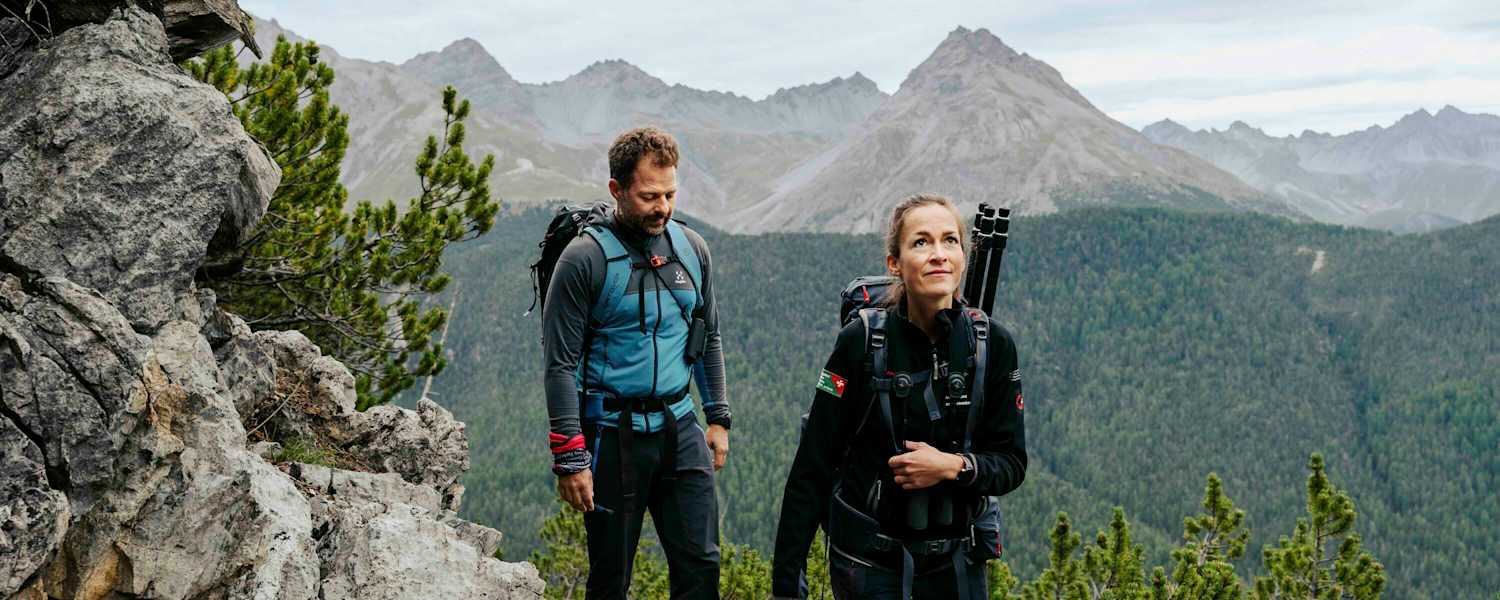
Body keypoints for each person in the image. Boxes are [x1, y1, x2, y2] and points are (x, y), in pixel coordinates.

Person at [771, 194, 1027, 599]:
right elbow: (813, 465)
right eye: (921, 242)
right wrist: (787, 582)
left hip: (956, 566)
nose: (938, 254)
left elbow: (1012, 462)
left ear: (964, 256)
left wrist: (951, 466)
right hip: (869, 566)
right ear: (895, 263)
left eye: (950, 241)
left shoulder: (992, 344)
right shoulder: (861, 342)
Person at [542, 127, 731, 599]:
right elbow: (559, 364)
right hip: (611, 432)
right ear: (617, 190)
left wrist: (718, 417)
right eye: (649, 196)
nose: (663, 207)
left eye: (670, 193)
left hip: (679, 424)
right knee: (611, 575)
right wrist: (570, 456)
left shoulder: (692, 249)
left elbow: (708, 337)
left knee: (701, 563)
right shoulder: (584, 259)